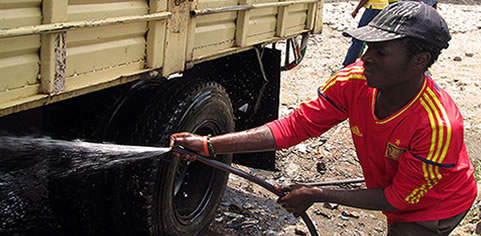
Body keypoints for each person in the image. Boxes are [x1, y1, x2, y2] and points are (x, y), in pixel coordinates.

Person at [170, 1, 477, 235]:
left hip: (432, 205)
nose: (365, 56)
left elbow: (399, 199)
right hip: (397, 190)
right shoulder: (354, 81)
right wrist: (209, 145)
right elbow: (296, 126)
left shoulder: (438, 126)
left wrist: (317, 193)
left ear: (419, 61)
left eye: (380, 52)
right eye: (367, 46)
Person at [342, 0, 388, 67]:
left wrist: (357, 9)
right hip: (384, 8)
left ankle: (348, 65)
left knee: (358, 38)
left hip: (373, 8)